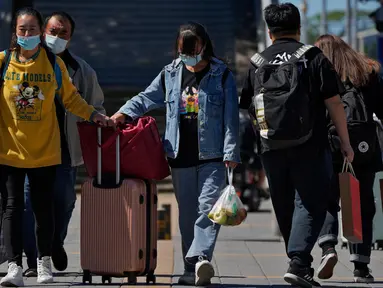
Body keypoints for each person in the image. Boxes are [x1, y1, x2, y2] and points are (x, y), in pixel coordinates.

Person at [111, 21, 240, 286]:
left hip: (213, 156)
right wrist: (123, 113)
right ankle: (189, 269)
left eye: (193, 48)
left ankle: (200, 257)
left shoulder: (222, 74)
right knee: (187, 215)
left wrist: (231, 151)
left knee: (208, 210)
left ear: (204, 45)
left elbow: (231, 119)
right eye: (183, 49)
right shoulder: (170, 73)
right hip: (179, 154)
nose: (188, 54)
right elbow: (146, 98)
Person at [240, 3, 353, 287]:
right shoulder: (312, 56)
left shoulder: (257, 62)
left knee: (283, 201)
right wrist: (346, 143)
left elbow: (248, 107)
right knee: (311, 201)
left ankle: (299, 262)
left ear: (269, 31)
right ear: (299, 27)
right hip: (310, 144)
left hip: (270, 147)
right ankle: (299, 262)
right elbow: (334, 103)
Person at [0, 7, 112, 287]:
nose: (27, 34)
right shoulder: (3, 62)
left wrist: (94, 115)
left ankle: (44, 261)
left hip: (48, 151)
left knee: (47, 208)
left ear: (39, 32)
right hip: (11, 151)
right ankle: (16, 266)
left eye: (32, 29)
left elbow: (72, 99)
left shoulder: (56, 65)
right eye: (22, 29)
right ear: (15, 32)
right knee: (13, 208)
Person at [315, 34, 383, 284]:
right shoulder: (367, 70)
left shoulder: (320, 71)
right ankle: (361, 266)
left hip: (330, 144)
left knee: (328, 200)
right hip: (364, 148)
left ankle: (328, 248)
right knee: (361, 203)